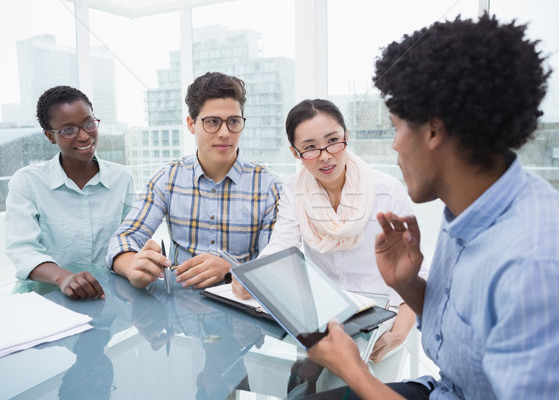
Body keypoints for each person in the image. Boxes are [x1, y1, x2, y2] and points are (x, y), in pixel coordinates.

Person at [305, 14, 558, 399]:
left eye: (396, 127)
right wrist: (408, 284)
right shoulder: (470, 209)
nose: (393, 146)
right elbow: (469, 333)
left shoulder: (534, 265)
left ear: (434, 131)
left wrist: (356, 373)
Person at [232, 99, 424, 364]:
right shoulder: (293, 189)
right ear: (295, 153)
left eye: (333, 140)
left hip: (383, 319)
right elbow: (281, 245)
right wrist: (253, 279)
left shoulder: (386, 191)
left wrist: (398, 334)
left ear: (346, 137)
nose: (324, 155)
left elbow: (417, 271)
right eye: (309, 148)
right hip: (322, 320)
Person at [107, 72, 281, 290]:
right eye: (213, 122)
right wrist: (133, 266)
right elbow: (124, 238)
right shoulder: (168, 178)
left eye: (234, 122)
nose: (225, 133)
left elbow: (276, 269)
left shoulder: (269, 186)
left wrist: (231, 270)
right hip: (181, 306)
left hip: (244, 306)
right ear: (191, 124)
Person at [5, 85, 135, 300]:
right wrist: (62, 277)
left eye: (88, 124)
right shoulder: (27, 181)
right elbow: (23, 251)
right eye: (68, 130)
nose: (84, 136)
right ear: (50, 136)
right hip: (47, 298)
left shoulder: (122, 177)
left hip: (107, 296)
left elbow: (129, 239)